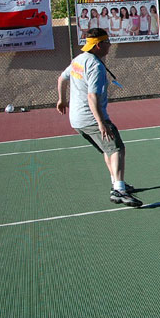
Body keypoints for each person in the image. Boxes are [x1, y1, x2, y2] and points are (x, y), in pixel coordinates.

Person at [56, 28, 142, 207]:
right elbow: (92, 96)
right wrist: (101, 123)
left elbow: (61, 79)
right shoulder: (95, 66)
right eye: (107, 42)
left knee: (107, 149)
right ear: (98, 45)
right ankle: (119, 191)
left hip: (77, 119)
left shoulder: (77, 60)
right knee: (117, 148)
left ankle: (116, 182)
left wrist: (61, 100)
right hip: (90, 118)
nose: (110, 45)